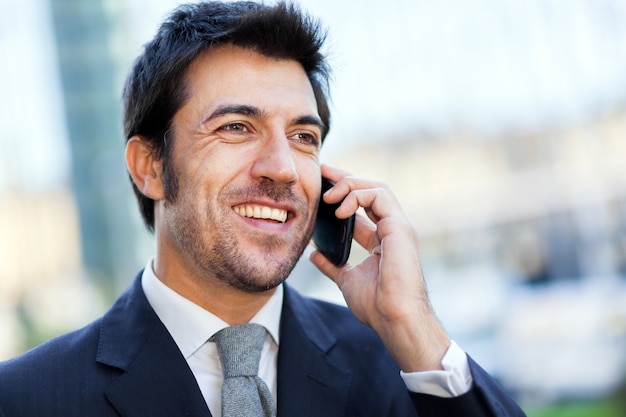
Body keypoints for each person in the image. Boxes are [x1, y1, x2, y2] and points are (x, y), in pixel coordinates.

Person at [0, 2, 526, 416]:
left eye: (303, 136)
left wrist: (414, 328)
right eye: (236, 127)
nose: (282, 167)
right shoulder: (25, 398)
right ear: (150, 167)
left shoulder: (402, 365)